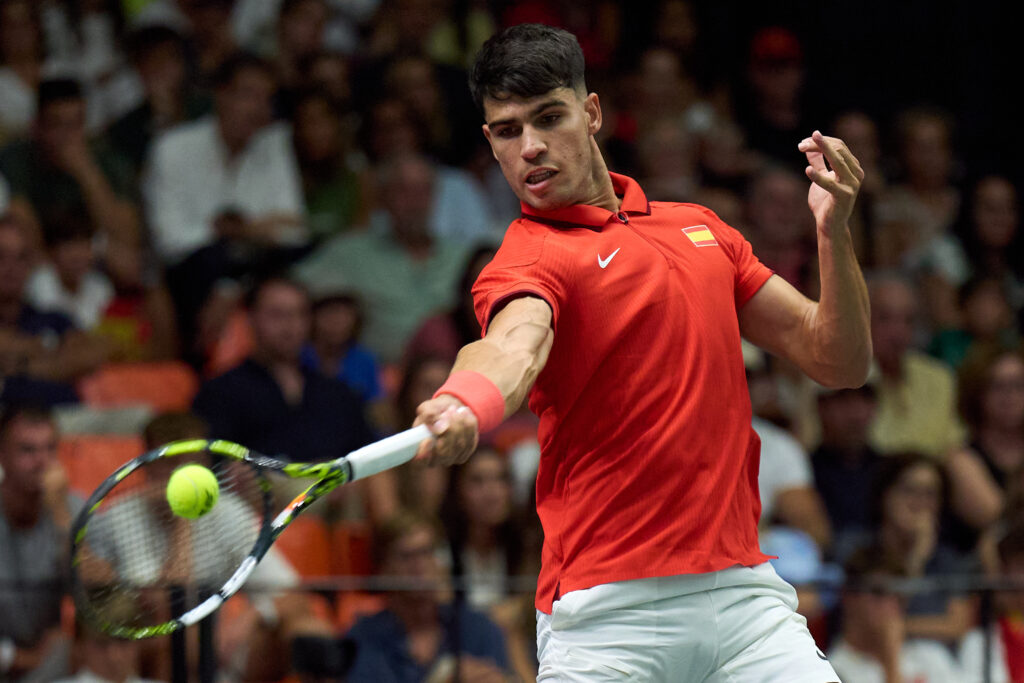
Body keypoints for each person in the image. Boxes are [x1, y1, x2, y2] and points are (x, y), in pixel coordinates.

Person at [412, 24, 871, 681]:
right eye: (508, 131)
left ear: (592, 112)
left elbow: (840, 360)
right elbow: (513, 345)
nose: (532, 147)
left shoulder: (701, 229)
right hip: (606, 619)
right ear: (490, 142)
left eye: (549, 118)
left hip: (745, 604)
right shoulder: (529, 256)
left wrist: (833, 233)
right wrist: (465, 401)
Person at [344, 511, 510, 682]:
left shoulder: (478, 629)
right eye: (407, 557)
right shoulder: (364, 639)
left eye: (427, 552)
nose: (420, 565)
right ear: (384, 568)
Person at [0, 215, 108, 406]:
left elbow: (88, 357)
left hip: (67, 418)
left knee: (141, 415)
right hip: (9, 420)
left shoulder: (52, 317)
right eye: (1, 256)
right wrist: (51, 351)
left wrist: (21, 365)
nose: (11, 267)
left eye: (21, 257)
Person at [0, 404, 74, 682]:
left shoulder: (71, 508)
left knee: (75, 647)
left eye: (50, 449)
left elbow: (97, 595)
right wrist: (13, 657)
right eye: (28, 450)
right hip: (6, 653)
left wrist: (60, 515)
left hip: (47, 657)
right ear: (2, 455)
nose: (42, 461)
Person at [828, 547, 964, 683]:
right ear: (848, 596)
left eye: (899, 595)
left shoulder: (931, 655)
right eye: (879, 593)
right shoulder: (832, 671)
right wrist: (891, 664)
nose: (892, 604)